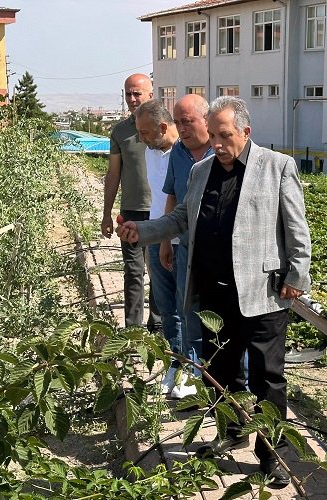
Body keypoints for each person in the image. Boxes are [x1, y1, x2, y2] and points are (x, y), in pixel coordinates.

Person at [116, 96, 311, 486]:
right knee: (219, 370)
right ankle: (231, 430)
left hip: (262, 293)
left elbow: (297, 228)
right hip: (214, 292)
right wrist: (147, 232)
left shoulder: (277, 167)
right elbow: (183, 216)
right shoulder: (201, 170)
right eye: (215, 136)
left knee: (266, 377)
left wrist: (297, 275)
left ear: (245, 132)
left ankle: (272, 453)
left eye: (226, 136)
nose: (218, 144)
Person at [161, 94, 213, 397]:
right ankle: (194, 376)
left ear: (205, 120)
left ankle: (225, 380)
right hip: (184, 247)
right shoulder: (177, 153)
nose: (182, 128)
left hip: (215, 250)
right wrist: (167, 240)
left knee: (217, 316)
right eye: (178, 122)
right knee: (187, 310)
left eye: (188, 121)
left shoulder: (221, 152)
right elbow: (172, 197)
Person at [133, 99, 185, 396]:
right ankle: (175, 365)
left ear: (163, 127)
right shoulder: (153, 151)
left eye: (145, 132)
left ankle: (191, 369)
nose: (142, 138)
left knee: (187, 309)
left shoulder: (185, 154)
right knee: (167, 309)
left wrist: (167, 238)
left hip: (180, 241)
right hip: (158, 239)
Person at [101, 74, 160, 330]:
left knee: (160, 272)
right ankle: (133, 331)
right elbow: (113, 174)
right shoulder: (121, 131)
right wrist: (106, 213)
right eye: (128, 94)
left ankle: (158, 325)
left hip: (160, 212)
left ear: (150, 94)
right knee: (134, 273)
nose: (133, 99)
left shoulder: (165, 127)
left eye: (137, 93)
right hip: (131, 213)